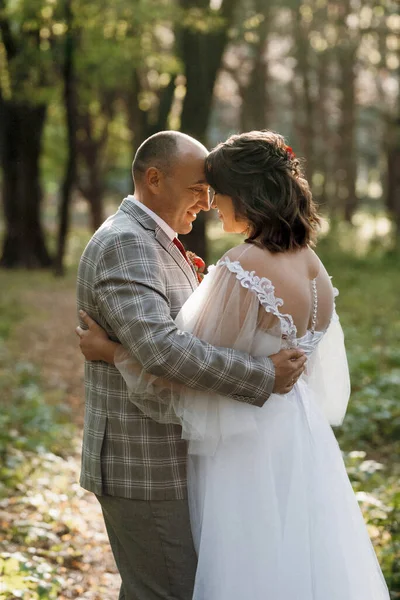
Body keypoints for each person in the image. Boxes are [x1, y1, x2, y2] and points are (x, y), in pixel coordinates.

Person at [78, 130, 390, 600]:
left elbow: (169, 358)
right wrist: (266, 374)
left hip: (239, 451)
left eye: (213, 191)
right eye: (198, 188)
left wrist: (111, 351)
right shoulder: (311, 265)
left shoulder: (242, 263)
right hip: (261, 447)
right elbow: (168, 350)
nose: (207, 202)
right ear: (155, 179)